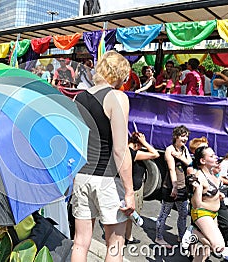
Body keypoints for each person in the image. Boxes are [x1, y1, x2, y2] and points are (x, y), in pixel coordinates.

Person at [71, 50, 134, 262]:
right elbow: (120, 149)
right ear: (119, 74)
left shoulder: (80, 98)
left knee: (80, 241)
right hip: (107, 179)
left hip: (82, 176)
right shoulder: (117, 98)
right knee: (115, 243)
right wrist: (129, 191)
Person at [186, 146, 225, 261]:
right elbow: (196, 204)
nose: (216, 157)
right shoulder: (199, 176)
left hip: (213, 214)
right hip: (202, 213)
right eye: (212, 156)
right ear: (203, 161)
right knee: (218, 247)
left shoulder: (213, 174)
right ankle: (193, 231)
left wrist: (219, 195)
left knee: (206, 250)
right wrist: (197, 189)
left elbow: (210, 193)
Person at [155, 125, 192, 248]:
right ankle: (159, 238)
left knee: (183, 214)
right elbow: (171, 169)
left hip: (183, 188)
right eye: (183, 136)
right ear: (176, 136)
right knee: (164, 213)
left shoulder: (184, 149)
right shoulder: (169, 149)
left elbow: (189, 163)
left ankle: (181, 237)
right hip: (171, 187)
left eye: (186, 136)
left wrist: (180, 157)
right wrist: (174, 187)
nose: (185, 138)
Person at [125, 132, 159, 245]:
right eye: (141, 145)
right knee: (130, 215)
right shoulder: (133, 153)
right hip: (134, 188)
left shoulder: (126, 150)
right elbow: (155, 154)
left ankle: (128, 237)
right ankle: (126, 237)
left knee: (128, 215)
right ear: (137, 144)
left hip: (132, 186)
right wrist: (145, 142)